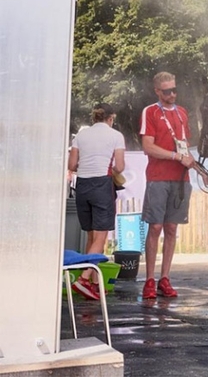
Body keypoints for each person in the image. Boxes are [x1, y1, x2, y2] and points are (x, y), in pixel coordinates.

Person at [139, 71, 196, 299]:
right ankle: (149, 280)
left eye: (174, 89)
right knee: (155, 227)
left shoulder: (182, 113)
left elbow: (184, 146)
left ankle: (165, 278)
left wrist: (196, 165)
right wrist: (175, 157)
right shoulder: (150, 112)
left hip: (181, 179)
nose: (172, 94)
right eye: (167, 91)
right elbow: (148, 147)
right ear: (157, 92)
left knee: (172, 228)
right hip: (158, 177)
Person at [68, 103, 126, 300]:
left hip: (82, 185)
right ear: (111, 118)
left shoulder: (81, 136)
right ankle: (83, 279)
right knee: (101, 238)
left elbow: (72, 165)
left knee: (92, 237)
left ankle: (93, 283)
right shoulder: (116, 135)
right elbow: (119, 166)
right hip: (102, 184)